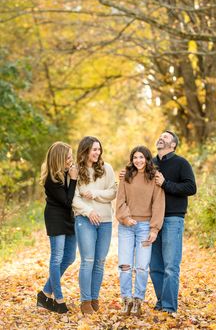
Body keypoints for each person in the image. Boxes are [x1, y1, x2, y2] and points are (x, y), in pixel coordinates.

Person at [150, 131, 197, 314]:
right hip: (153, 220)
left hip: (172, 218)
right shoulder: (150, 164)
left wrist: (165, 183)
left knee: (170, 265)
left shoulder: (181, 163)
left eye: (166, 137)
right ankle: (162, 301)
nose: (161, 138)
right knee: (155, 266)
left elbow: (191, 187)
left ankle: (169, 306)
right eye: (160, 136)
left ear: (173, 144)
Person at [116, 146, 165, 317]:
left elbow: (158, 204)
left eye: (141, 157)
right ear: (132, 159)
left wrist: (154, 229)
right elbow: (120, 200)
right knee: (125, 266)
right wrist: (126, 218)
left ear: (147, 159)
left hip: (145, 227)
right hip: (126, 226)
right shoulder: (125, 176)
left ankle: (138, 300)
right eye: (135, 157)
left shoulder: (155, 178)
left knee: (142, 267)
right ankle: (126, 300)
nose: (138, 161)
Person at [72, 136, 117, 315]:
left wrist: (96, 193)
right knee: (88, 261)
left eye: (99, 149)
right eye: (93, 149)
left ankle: (94, 298)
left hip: (105, 221)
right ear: (85, 151)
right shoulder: (75, 171)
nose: (97, 153)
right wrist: (88, 211)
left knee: (99, 262)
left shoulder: (107, 169)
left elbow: (113, 191)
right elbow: (73, 197)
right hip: (85, 220)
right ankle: (85, 301)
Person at [37, 141, 78, 314]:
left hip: (69, 219)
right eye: (67, 157)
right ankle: (58, 299)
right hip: (55, 218)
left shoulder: (67, 172)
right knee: (56, 258)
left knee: (69, 257)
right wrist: (74, 179)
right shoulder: (51, 179)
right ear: (59, 158)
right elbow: (67, 201)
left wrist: (72, 176)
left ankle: (44, 293)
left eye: (71, 156)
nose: (70, 159)